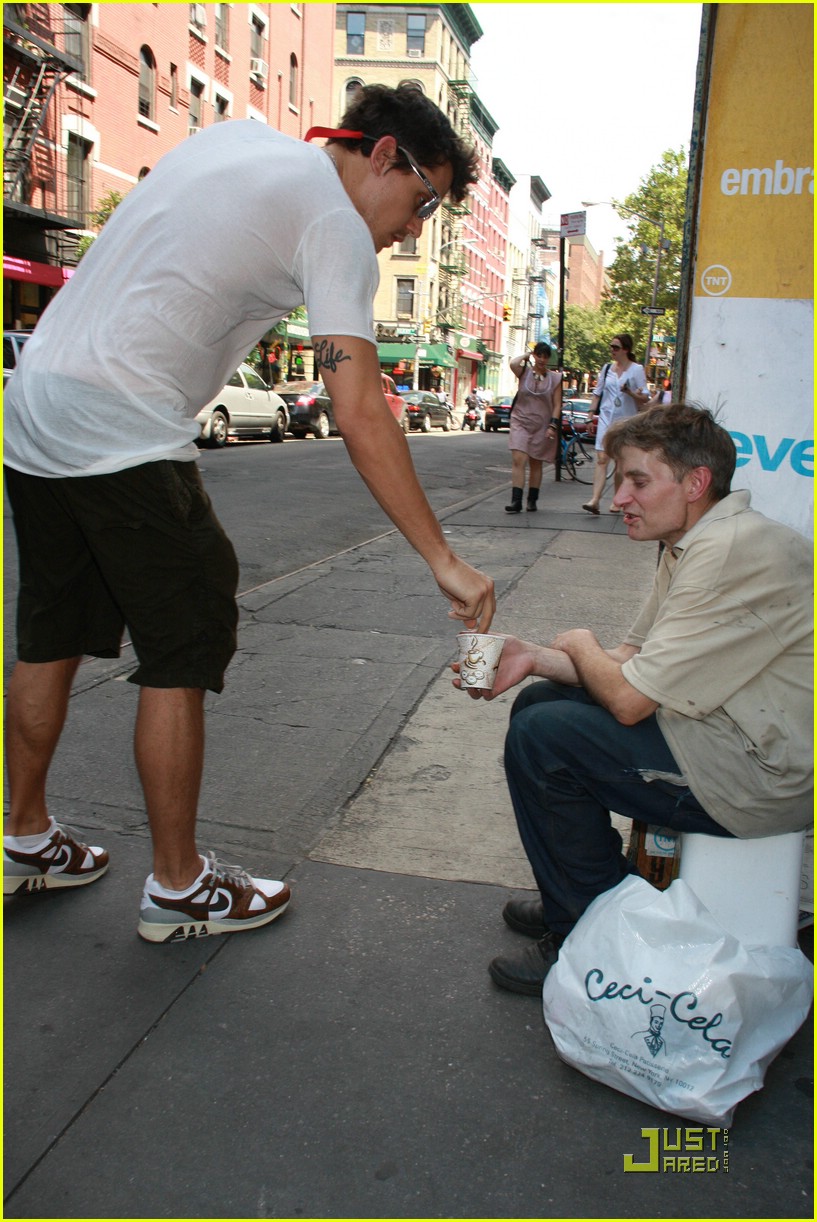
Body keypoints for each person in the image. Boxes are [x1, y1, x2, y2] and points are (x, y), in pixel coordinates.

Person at [3, 84, 495, 944]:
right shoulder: (334, 224)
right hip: (123, 428)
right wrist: (441, 557)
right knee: (183, 647)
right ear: (383, 155)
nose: (415, 229)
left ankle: (24, 837)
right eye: (422, 202)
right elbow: (359, 410)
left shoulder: (234, 138)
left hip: (34, 406)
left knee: (52, 629)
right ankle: (179, 889)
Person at [454, 404, 812, 995]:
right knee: (539, 703)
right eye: (621, 480)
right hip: (723, 733)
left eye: (638, 481)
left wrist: (576, 641)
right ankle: (585, 893)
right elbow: (628, 662)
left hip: (763, 776)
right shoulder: (694, 542)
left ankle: (584, 937)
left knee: (546, 738)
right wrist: (532, 656)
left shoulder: (730, 550)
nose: (620, 498)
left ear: (695, 483)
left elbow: (627, 700)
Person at [582, 333, 648, 515]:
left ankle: (617, 500)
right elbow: (597, 394)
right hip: (606, 419)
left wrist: (630, 392)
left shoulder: (636, 369)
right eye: (611, 346)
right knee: (602, 459)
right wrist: (590, 416)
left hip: (626, 422)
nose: (612, 350)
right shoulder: (606, 369)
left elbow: (645, 398)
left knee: (620, 464)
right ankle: (595, 500)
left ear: (625, 349)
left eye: (616, 347)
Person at [505, 342, 562, 513]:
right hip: (520, 421)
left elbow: (557, 405)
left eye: (545, 357)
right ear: (535, 355)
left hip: (542, 425)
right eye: (539, 355)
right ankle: (516, 501)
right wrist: (526, 355)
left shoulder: (555, 379)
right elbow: (513, 363)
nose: (542, 360)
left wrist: (553, 425)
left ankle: (532, 500)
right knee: (518, 459)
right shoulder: (524, 372)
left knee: (536, 462)